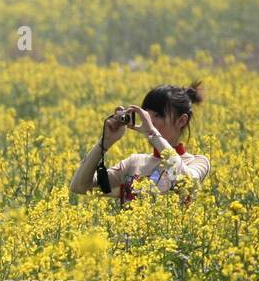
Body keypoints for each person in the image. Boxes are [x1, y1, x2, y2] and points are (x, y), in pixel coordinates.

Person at [69, 83, 210, 202]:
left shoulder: (196, 162)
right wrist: (105, 142)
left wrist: (153, 134)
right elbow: (79, 187)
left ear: (182, 121)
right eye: (147, 116)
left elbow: (186, 182)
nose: (150, 122)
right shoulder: (134, 163)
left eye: (157, 115)